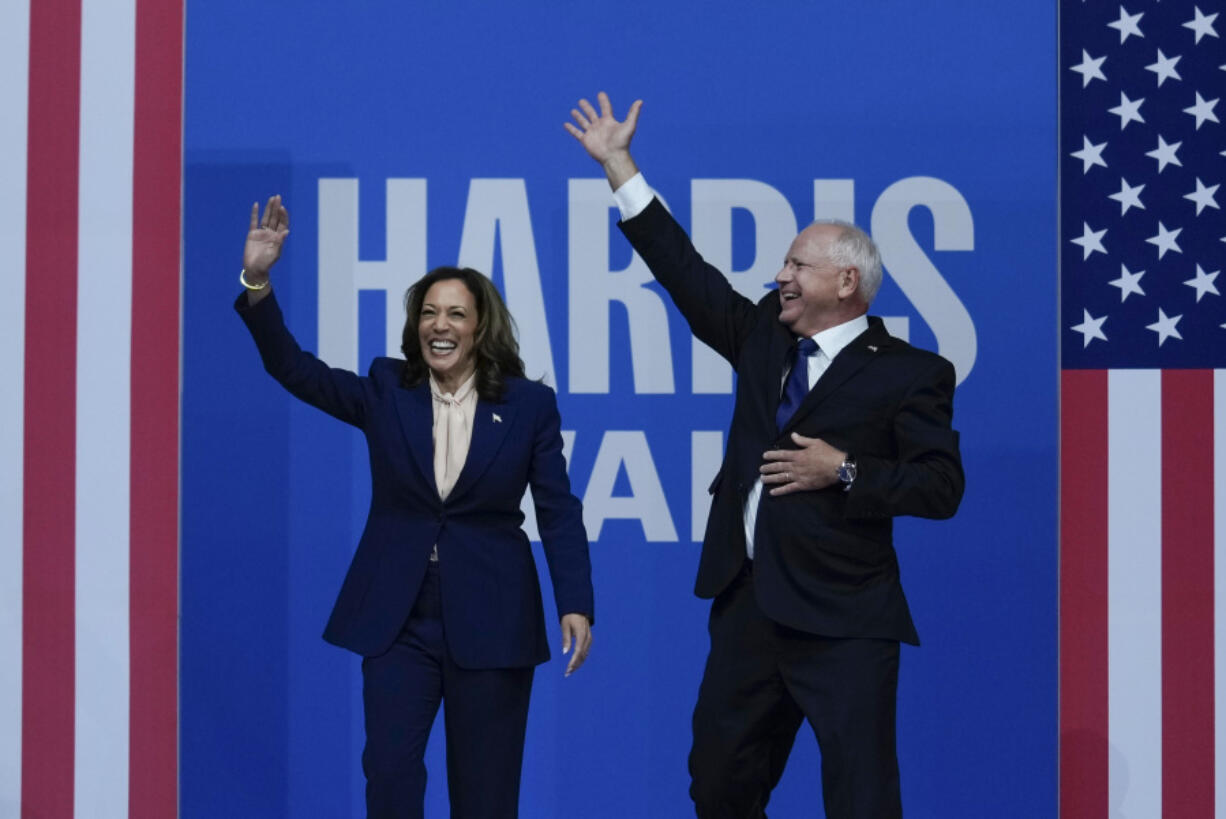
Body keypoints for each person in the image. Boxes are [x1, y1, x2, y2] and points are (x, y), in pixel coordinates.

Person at [566, 94, 964, 818]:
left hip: (845, 617)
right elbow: (685, 271)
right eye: (783, 263)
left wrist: (842, 469)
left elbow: (941, 487)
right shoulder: (763, 337)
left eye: (797, 264)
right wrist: (620, 166)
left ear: (847, 281)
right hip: (749, 606)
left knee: (862, 798)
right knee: (718, 783)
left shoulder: (912, 371)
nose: (781, 274)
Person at [234, 195, 594, 819]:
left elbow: (557, 509)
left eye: (456, 313)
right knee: (391, 773)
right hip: (400, 617)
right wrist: (258, 281)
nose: (440, 325)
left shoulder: (529, 404)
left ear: (480, 326)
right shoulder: (385, 390)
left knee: (486, 793)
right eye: (429, 313)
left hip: (492, 614)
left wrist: (576, 601)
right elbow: (295, 370)